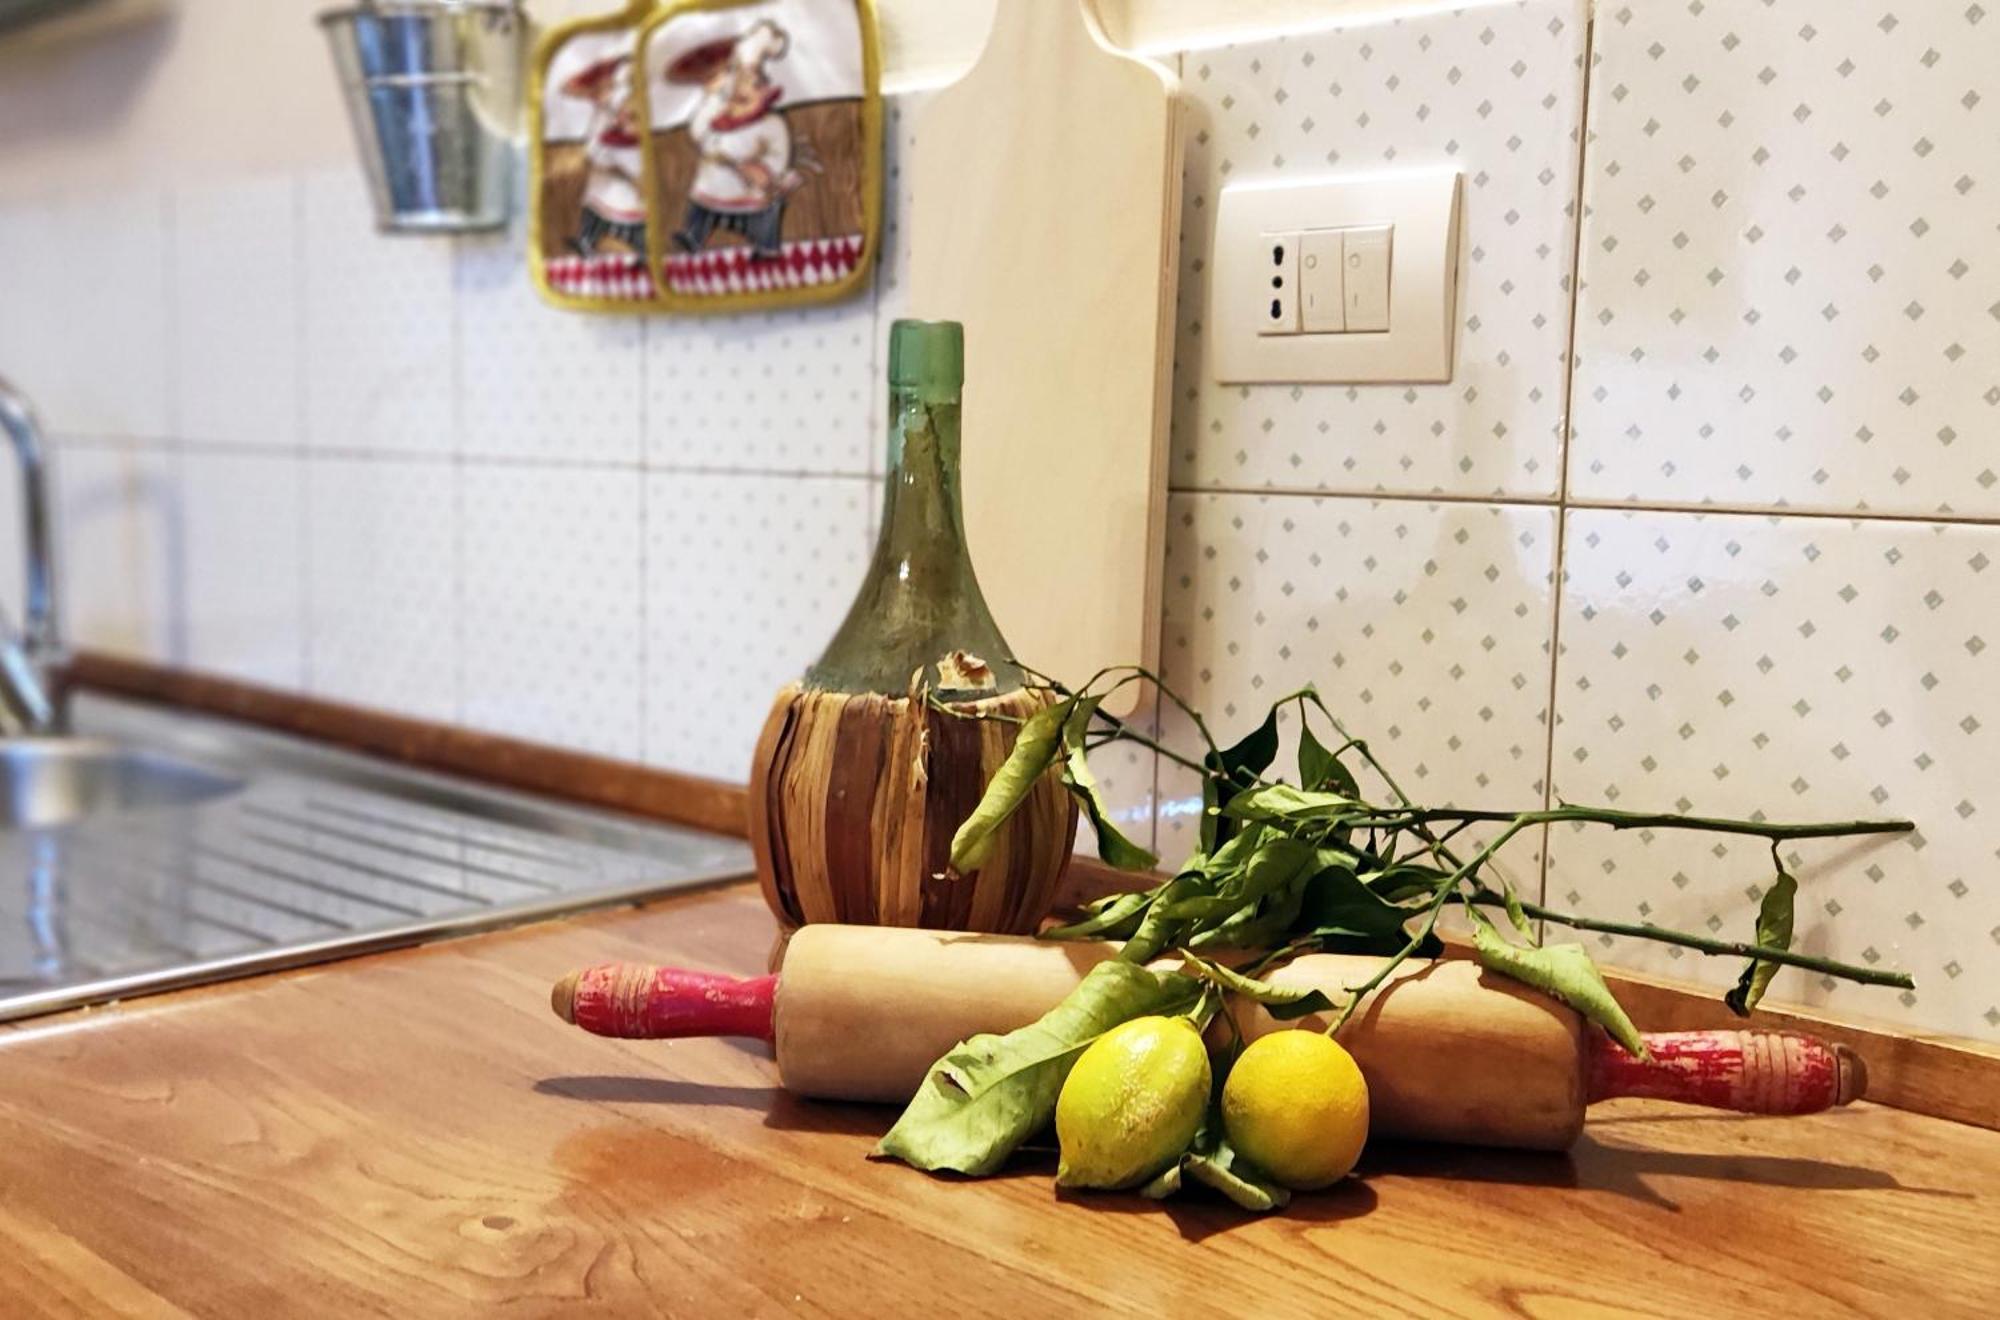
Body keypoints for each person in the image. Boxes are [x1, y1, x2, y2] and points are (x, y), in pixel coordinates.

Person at [673, 20, 814, 261]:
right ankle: (693, 236)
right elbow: (697, 133)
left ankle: (766, 248)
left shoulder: (772, 123)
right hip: (711, 187)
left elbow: (779, 153)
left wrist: (767, 170)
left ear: (764, 89)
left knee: (765, 213)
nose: (741, 88)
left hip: (750, 190)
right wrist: (713, 97)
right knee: (699, 209)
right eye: (737, 81)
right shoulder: (718, 115)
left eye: (750, 81)